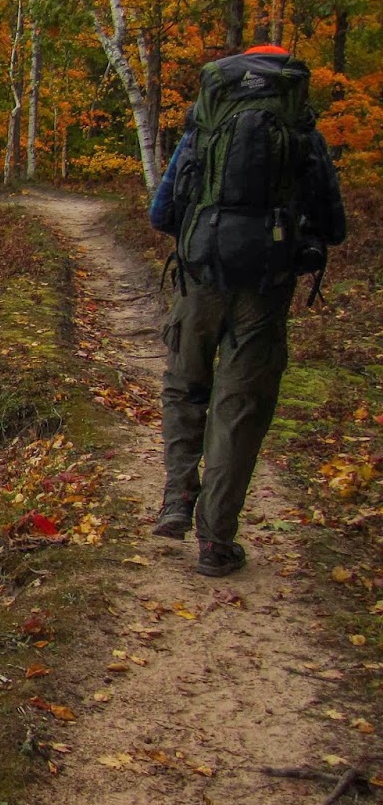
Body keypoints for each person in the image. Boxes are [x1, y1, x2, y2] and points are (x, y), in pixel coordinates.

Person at [147, 44, 346, 577]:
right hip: (264, 289)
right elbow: (335, 225)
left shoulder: (203, 129)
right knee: (240, 407)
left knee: (185, 388)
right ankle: (215, 541)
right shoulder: (303, 133)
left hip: (198, 280)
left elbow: (162, 211)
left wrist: (208, 229)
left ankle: (175, 500)